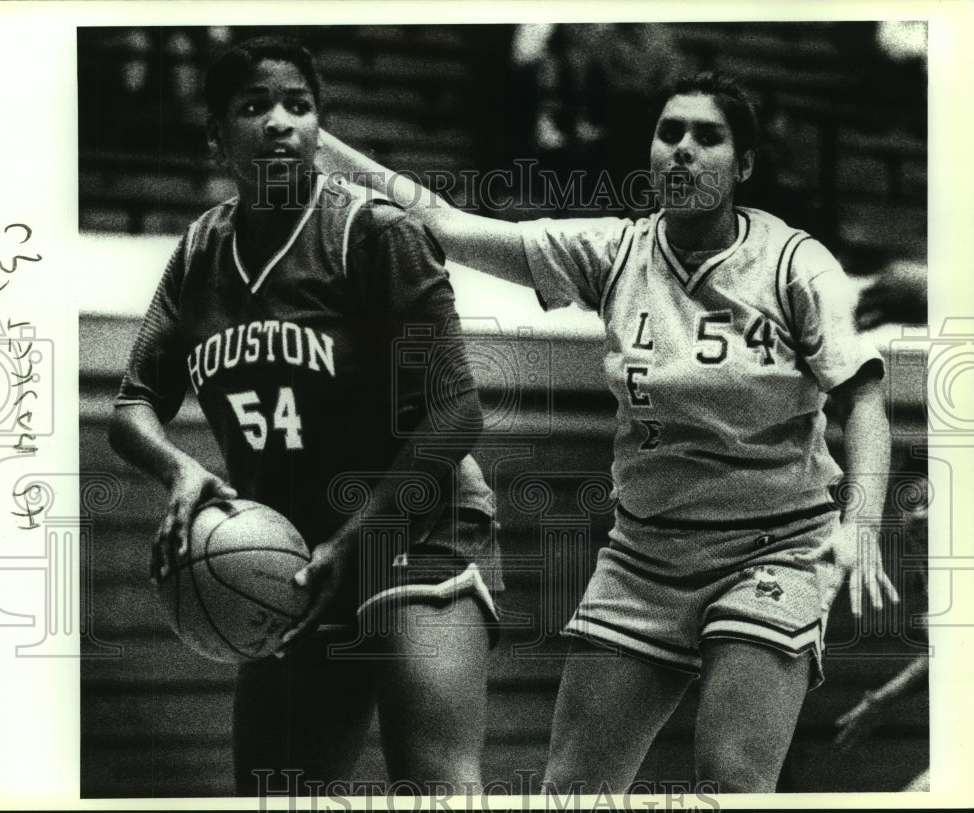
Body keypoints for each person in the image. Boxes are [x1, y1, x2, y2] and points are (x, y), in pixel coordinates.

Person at [317, 71, 900, 793]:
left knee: (729, 784)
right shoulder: (616, 252)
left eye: (707, 137)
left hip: (773, 547)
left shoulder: (796, 266)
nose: (683, 150)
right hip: (644, 554)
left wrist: (863, 521)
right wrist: (313, 140)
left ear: (743, 166)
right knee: (571, 792)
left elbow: (865, 401)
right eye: (670, 133)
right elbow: (445, 225)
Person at [108, 36, 503, 795]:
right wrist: (180, 467)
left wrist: (359, 535)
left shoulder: (374, 234)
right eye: (255, 107)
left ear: (321, 124)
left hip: (410, 523)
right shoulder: (199, 253)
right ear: (220, 137)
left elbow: (457, 411)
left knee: (436, 786)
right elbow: (132, 406)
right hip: (293, 549)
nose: (282, 122)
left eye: (300, 104)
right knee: (277, 789)